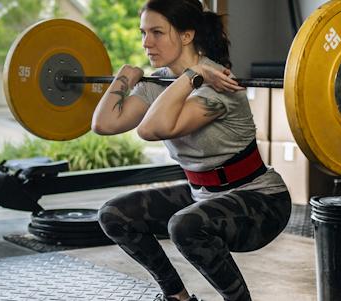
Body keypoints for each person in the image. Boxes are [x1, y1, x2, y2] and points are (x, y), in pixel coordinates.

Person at [92, 1, 291, 301]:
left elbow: (151, 129)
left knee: (184, 226)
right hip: (203, 195)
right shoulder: (158, 82)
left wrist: (192, 75)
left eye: (157, 32)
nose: (146, 42)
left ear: (187, 36)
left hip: (262, 203)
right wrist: (124, 77)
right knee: (114, 214)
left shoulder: (217, 85)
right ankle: (177, 297)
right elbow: (104, 124)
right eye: (143, 32)